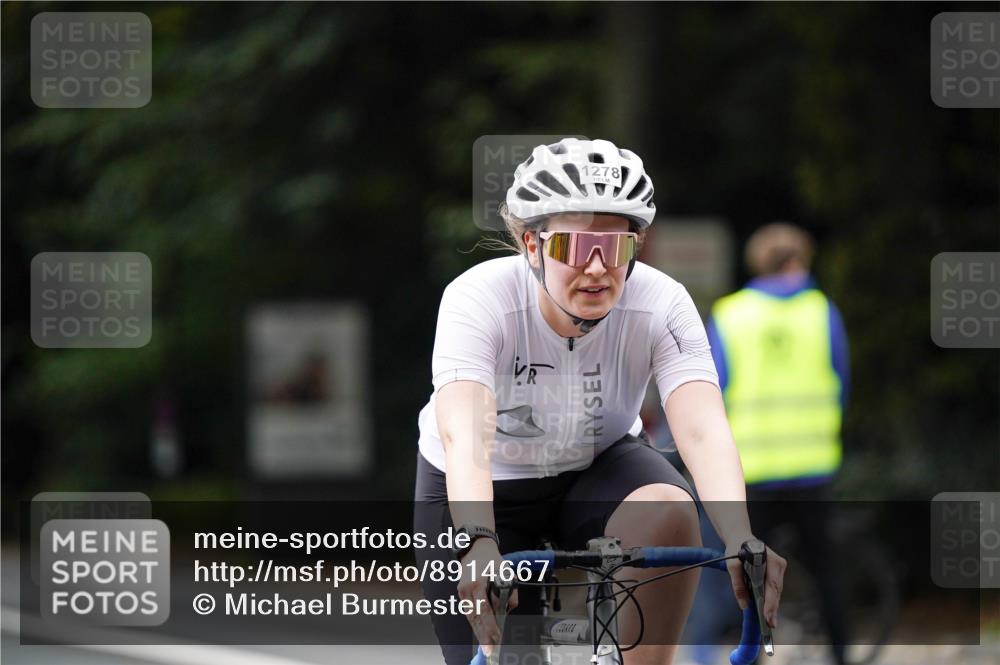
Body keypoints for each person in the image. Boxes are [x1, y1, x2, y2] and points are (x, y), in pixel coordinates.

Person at [412, 138, 786, 665]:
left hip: (598, 465)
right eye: (574, 247)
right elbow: (466, 435)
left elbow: (702, 427)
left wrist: (739, 535)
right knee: (502, 652)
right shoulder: (478, 299)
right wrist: (477, 540)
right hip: (485, 484)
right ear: (531, 245)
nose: (596, 268)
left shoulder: (662, 301)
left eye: (615, 248)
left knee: (669, 509)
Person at [687, 222, 849, 665]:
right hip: (812, 466)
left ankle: (748, 657)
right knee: (827, 572)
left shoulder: (730, 314)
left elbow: (710, 390)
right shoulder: (822, 312)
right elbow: (842, 382)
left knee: (744, 571)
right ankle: (842, 655)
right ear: (799, 261)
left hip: (750, 468)